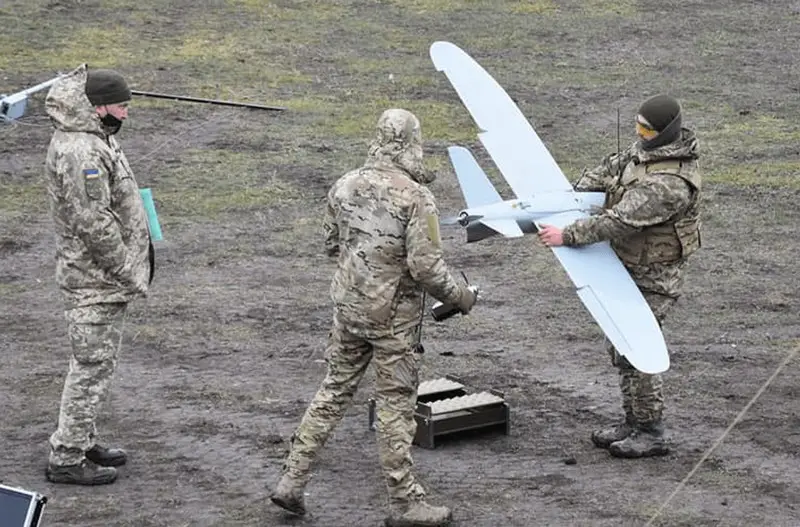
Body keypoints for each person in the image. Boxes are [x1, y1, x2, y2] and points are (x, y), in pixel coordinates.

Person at [270, 108, 477, 526]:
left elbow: (332, 244)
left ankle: (291, 481)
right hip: (393, 322)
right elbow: (425, 268)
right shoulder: (416, 197)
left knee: (332, 392)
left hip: (348, 311)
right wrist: (462, 296)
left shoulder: (345, 184)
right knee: (396, 408)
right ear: (413, 142)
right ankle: (405, 504)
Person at [538, 94, 701, 459]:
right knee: (620, 346)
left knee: (637, 348)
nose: (639, 134)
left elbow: (622, 219)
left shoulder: (670, 183)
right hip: (627, 265)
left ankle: (651, 430)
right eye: (637, 127)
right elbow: (606, 171)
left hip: (656, 277)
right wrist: (572, 196)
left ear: (664, 133)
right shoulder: (645, 153)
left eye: (647, 129)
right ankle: (633, 421)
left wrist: (568, 234)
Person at [43, 65, 154, 485]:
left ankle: (82, 437)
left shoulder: (93, 138)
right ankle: (67, 456)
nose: (125, 115)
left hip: (98, 277)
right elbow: (94, 223)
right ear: (97, 106)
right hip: (94, 279)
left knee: (97, 363)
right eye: (121, 106)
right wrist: (127, 271)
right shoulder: (81, 151)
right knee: (91, 365)